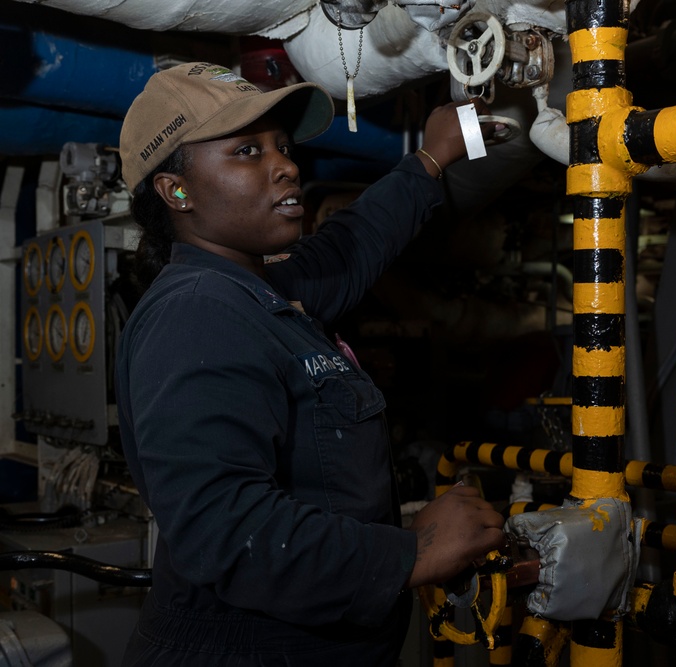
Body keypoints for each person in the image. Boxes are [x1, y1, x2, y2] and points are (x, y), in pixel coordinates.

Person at [114, 62, 505, 666]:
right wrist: (413, 551)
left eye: (283, 146)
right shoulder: (197, 312)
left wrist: (431, 158)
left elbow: (349, 248)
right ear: (177, 192)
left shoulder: (256, 291)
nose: (287, 165)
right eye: (247, 151)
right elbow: (229, 535)